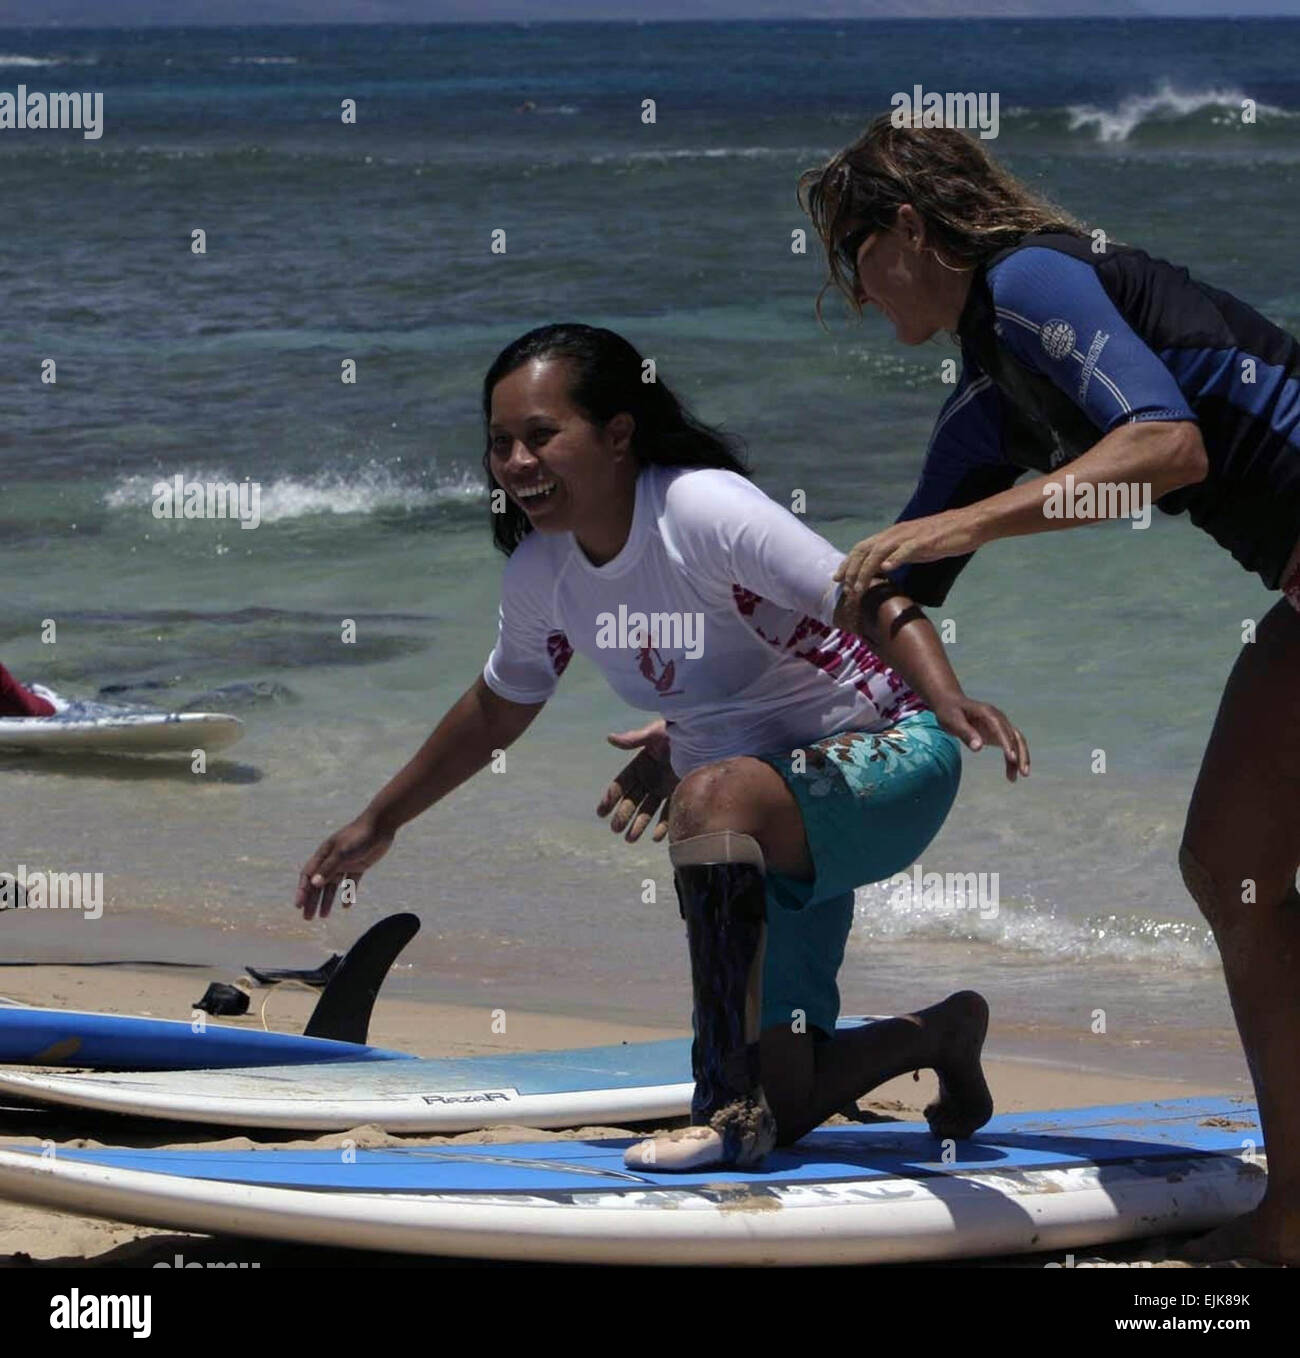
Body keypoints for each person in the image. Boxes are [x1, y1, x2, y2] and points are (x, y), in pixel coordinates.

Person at [296, 323, 1029, 1171]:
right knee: (794, 1101)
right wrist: (378, 822)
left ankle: (721, 1103)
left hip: (893, 755)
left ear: (617, 433)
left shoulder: (700, 510)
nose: (517, 462)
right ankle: (939, 1033)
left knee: (709, 799)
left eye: (542, 435)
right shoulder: (544, 573)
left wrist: (948, 698)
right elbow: (499, 707)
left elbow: (866, 598)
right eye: (500, 443)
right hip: (771, 817)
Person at [796, 113, 1300, 1262]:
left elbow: (1165, 447)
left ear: (911, 227)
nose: (858, 296)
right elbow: (886, 588)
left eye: (855, 259)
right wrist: (721, 705)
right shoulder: (992, 392)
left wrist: (962, 519)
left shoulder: (1031, 280)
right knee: (1232, 863)